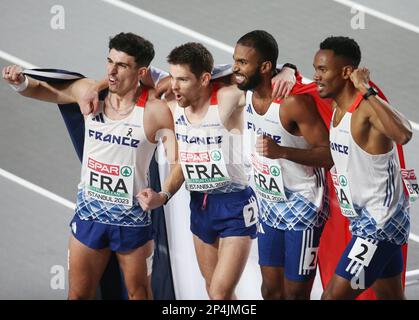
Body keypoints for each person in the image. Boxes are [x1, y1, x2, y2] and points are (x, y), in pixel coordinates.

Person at [2, 32, 182, 300]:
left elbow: (179, 161)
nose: (111, 70)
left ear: (141, 71)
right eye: (109, 61)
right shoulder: (90, 92)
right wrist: (20, 82)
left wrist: (162, 195)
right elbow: (46, 90)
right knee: (78, 295)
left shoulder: (154, 111)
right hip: (89, 217)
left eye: (122, 65)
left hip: (131, 221)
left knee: (139, 295)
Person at [138, 41, 297, 300]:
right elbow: (184, 163)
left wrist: (288, 69)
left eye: (183, 80)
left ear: (204, 79)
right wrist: (163, 195)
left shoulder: (227, 98)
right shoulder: (173, 107)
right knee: (214, 292)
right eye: (173, 78)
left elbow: (259, 76)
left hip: (235, 205)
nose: (174, 86)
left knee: (221, 293)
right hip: (200, 205)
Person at [232, 30, 333, 300]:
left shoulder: (293, 104)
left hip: (303, 204)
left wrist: (282, 152)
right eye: (235, 60)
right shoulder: (246, 92)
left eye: (242, 63)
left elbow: (328, 155)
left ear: (264, 67)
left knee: (295, 293)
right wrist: (289, 67)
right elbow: (200, 73)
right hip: (269, 202)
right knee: (270, 290)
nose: (235, 69)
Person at [312, 36, 412, 300]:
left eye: (323, 70)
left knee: (332, 297)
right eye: (316, 69)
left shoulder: (365, 108)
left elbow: (403, 134)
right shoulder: (336, 106)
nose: (317, 76)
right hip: (362, 220)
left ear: (346, 72)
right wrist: (287, 69)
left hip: (379, 223)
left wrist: (367, 89)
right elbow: (297, 88)